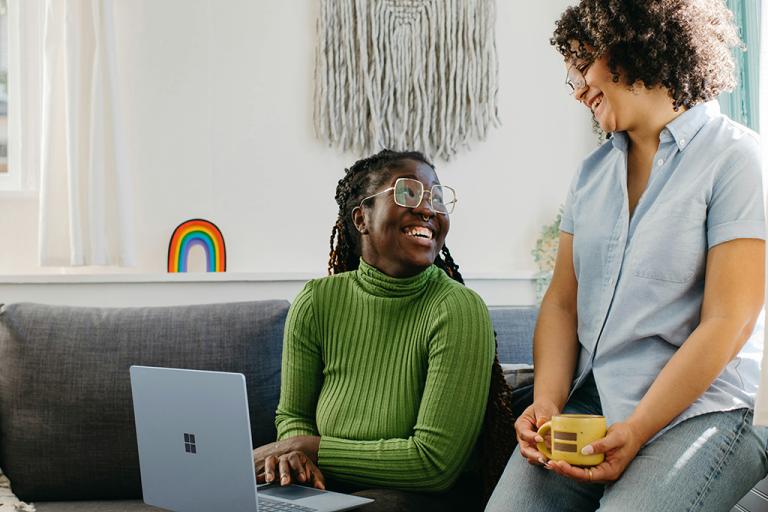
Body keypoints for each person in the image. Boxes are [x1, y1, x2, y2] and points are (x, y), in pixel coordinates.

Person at [486, 1, 767, 511]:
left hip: (704, 411)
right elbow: (562, 305)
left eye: (582, 66)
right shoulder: (591, 174)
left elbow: (730, 321)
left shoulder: (736, 158)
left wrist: (637, 429)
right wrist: (548, 403)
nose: (576, 90)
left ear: (634, 44)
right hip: (594, 404)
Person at [253, 150, 517, 511]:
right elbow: (294, 414)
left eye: (436, 198)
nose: (428, 209)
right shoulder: (317, 300)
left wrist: (309, 448)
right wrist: (296, 458)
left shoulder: (457, 308)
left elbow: (434, 464)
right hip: (328, 487)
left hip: (418, 499)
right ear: (362, 218)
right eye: (408, 194)